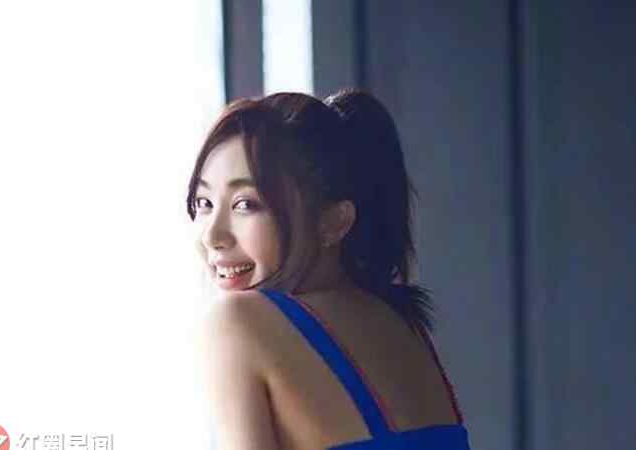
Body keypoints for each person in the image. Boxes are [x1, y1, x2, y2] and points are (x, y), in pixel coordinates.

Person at [187, 89, 472, 450]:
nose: (212, 236)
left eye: (246, 204)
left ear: (333, 222)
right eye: (204, 203)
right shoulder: (401, 322)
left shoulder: (237, 321)